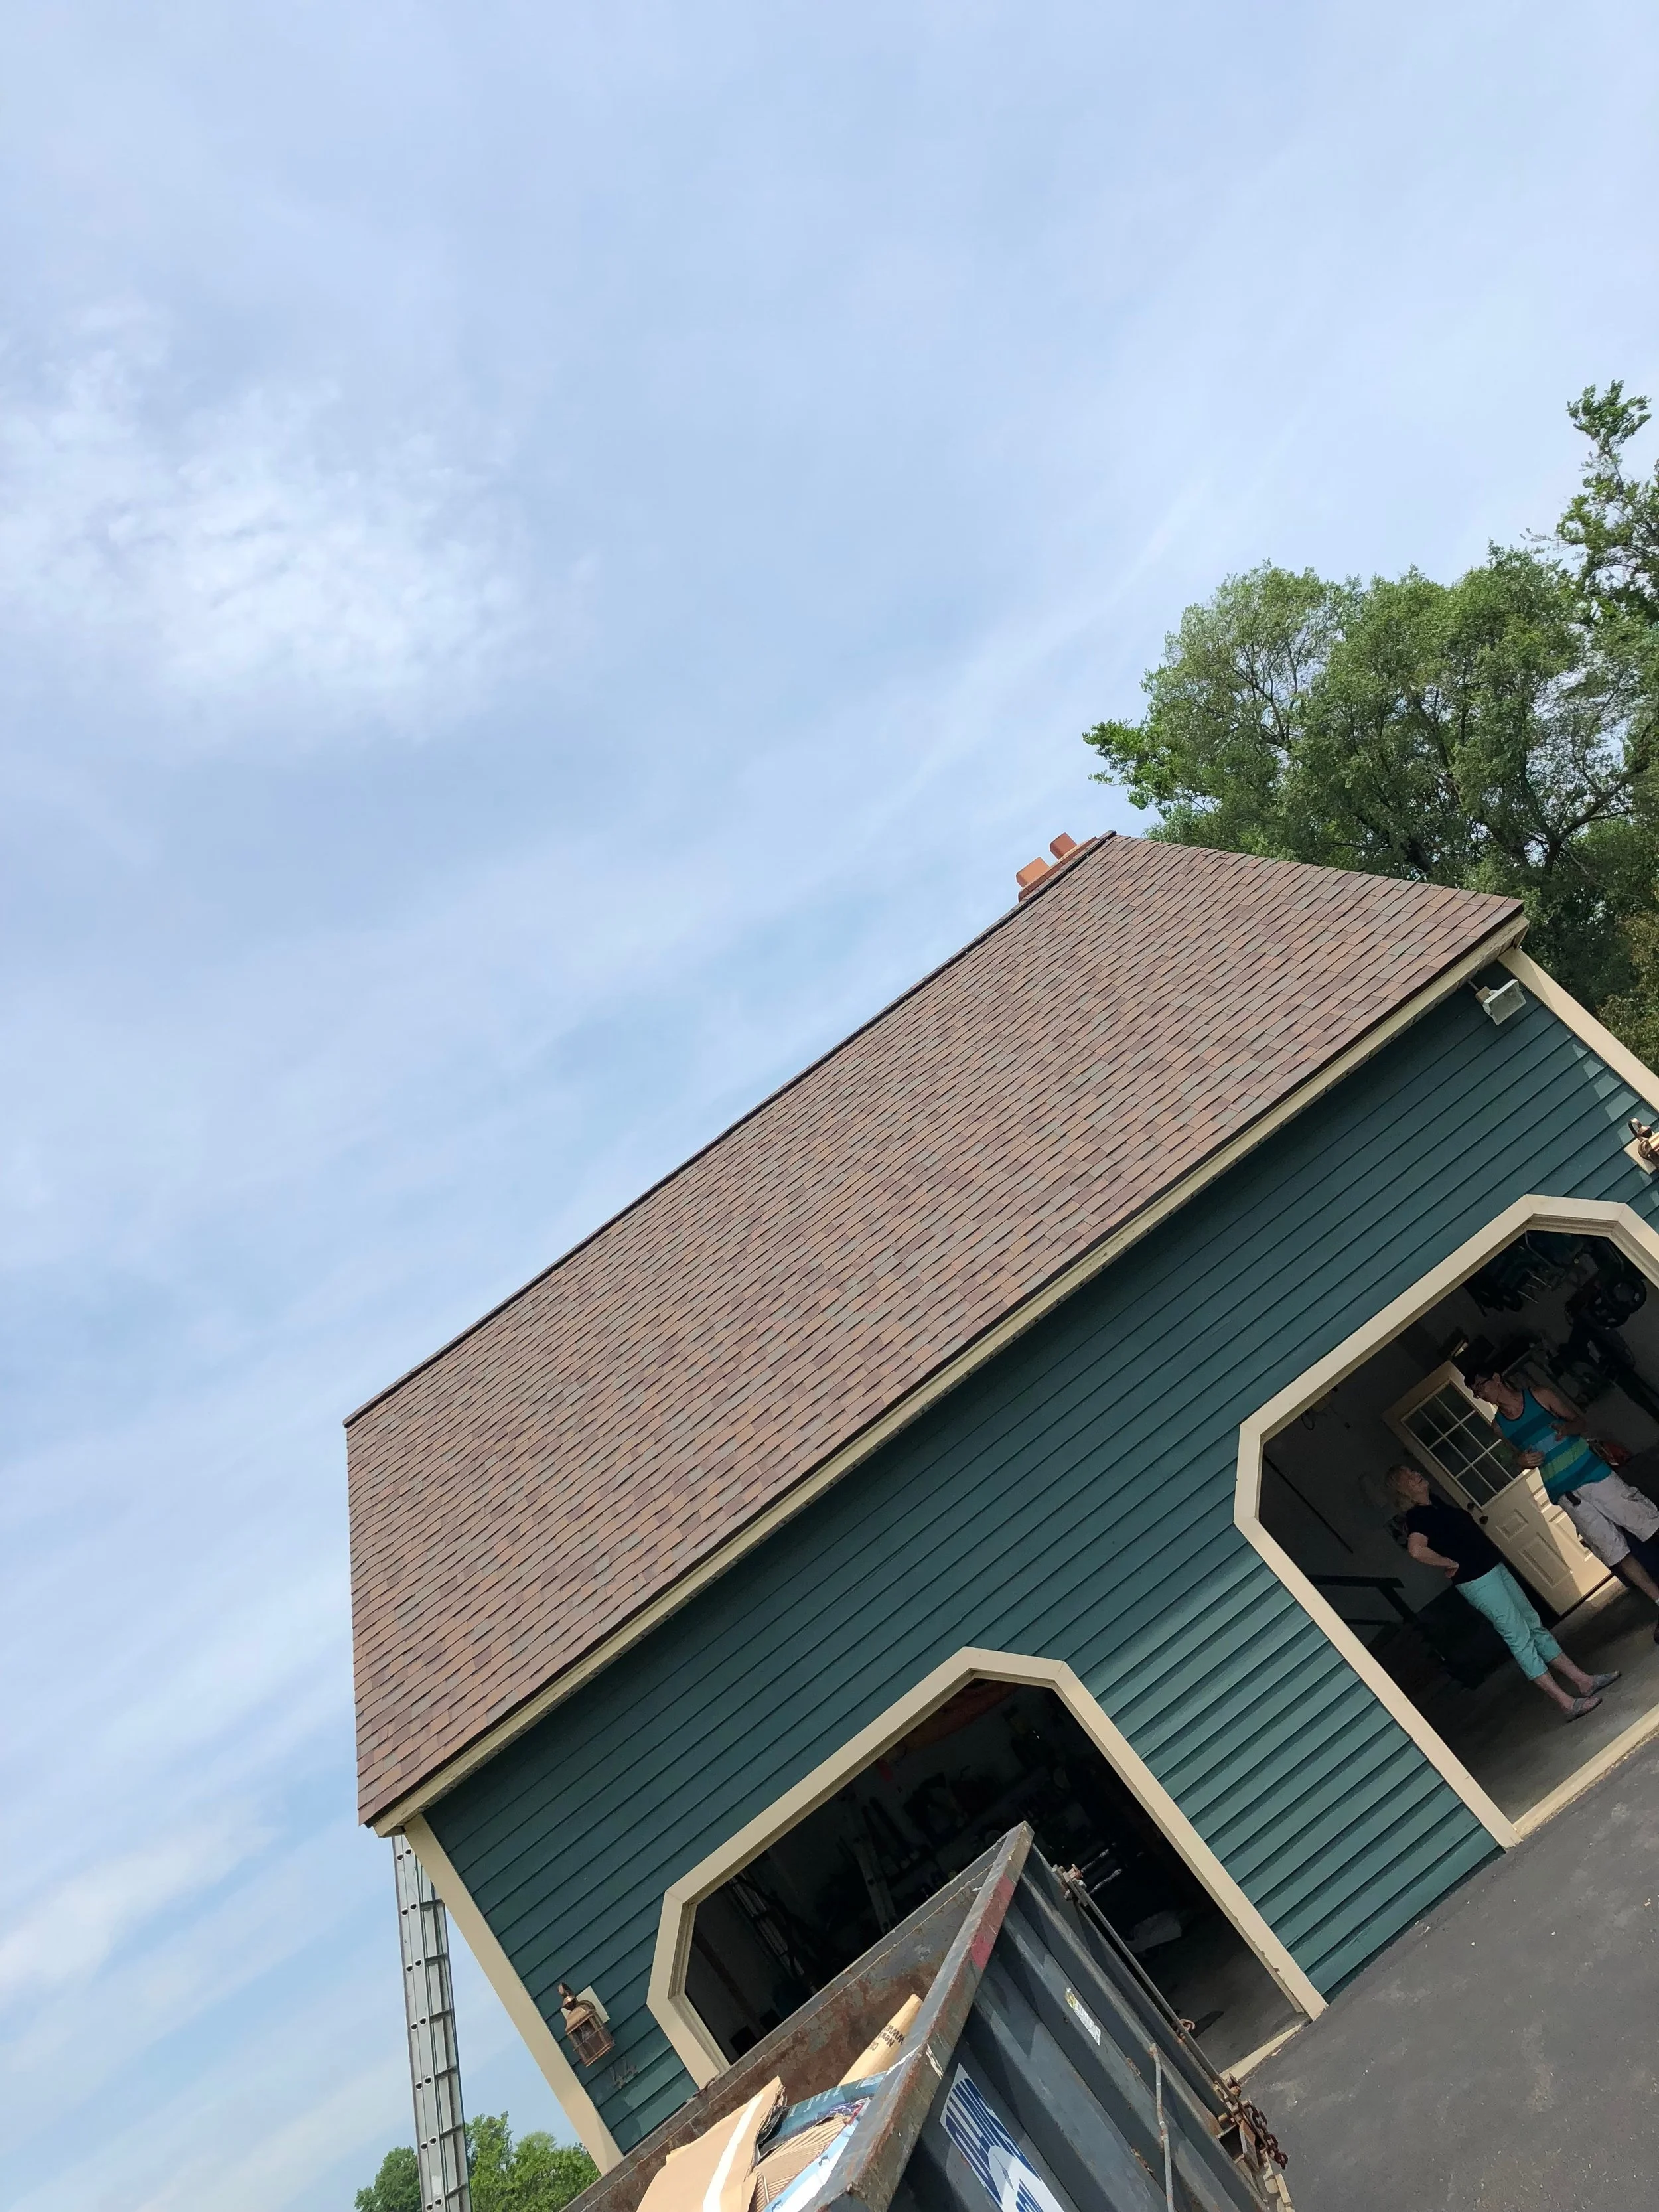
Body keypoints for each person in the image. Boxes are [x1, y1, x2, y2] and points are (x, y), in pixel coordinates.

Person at [1386, 1465, 1617, 1718]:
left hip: (1492, 1568)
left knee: (1533, 1625)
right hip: (1476, 1581)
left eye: (1413, 1471)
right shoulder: (1418, 1517)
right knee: (1519, 1637)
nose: (1416, 1475)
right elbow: (1417, 1550)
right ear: (1403, 1490)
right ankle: (1565, 1702)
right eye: (1408, 1477)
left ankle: (1583, 1681)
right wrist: (1448, 1562)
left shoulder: (1436, 1505)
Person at [1467, 1367, 1659, 1635]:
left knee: (1646, 1525)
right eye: (1476, 1393)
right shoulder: (1499, 1426)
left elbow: (1581, 1423)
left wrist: (1567, 1428)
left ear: (1496, 1378)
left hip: (1594, 1475)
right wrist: (1521, 1462)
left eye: (1481, 1386)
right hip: (1565, 1493)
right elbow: (1518, 1455)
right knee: (1614, 1549)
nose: (1481, 1394)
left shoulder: (1539, 1395)